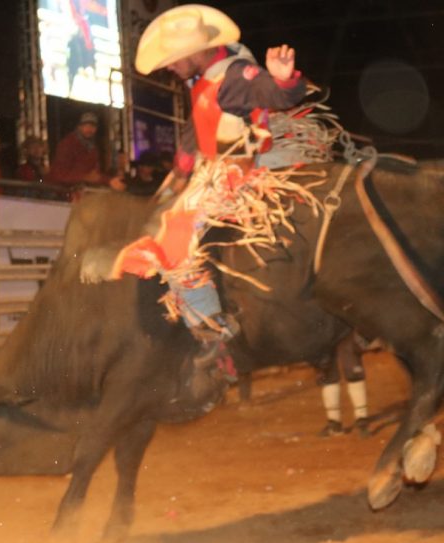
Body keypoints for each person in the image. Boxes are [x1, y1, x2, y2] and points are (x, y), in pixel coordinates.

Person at [109, 5, 308, 351]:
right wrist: (177, 175)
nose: (169, 67)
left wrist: (283, 80)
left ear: (194, 52)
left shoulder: (234, 76)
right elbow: (196, 130)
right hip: (219, 166)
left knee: (176, 234)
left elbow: (272, 95)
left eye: (173, 59)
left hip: (238, 171)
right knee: (168, 215)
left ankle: (211, 326)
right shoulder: (206, 80)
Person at [48, 111, 112, 187]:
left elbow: (94, 175)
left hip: (79, 188)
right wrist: (85, 177)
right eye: (86, 126)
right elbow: (60, 174)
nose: (89, 129)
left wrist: (108, 180)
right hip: (58, 189)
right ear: (79, 127)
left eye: (92, 126)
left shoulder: (93, 148)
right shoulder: (67, 144)